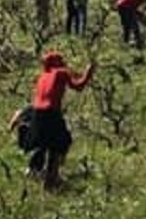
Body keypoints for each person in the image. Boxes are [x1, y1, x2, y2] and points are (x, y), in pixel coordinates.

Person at [13, 50, 95, 190]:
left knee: (44, 144)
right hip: (51, 112)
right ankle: (52, 178)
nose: (63, 62)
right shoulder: (61, 72)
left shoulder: (43, 76)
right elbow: (78, 86)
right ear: (55, 62)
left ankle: (36, 170)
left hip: (37, 113)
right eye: (60, 59)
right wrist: (89, 72)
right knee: (62, 142)